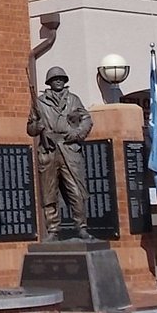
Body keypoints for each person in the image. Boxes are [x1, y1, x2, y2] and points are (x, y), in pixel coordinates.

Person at [27, 66, 94, 240]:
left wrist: (77, 133)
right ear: (49, 82)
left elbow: (87, 119)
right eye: (55, 78)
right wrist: (38, 127)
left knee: (76, 191)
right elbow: (30, 128)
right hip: (49, 152)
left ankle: (81, 227)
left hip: (69, 149)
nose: (58, 81)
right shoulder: (40, 102)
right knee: (49, 193)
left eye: (61, 78)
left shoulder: (73, 100)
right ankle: (53, 230)